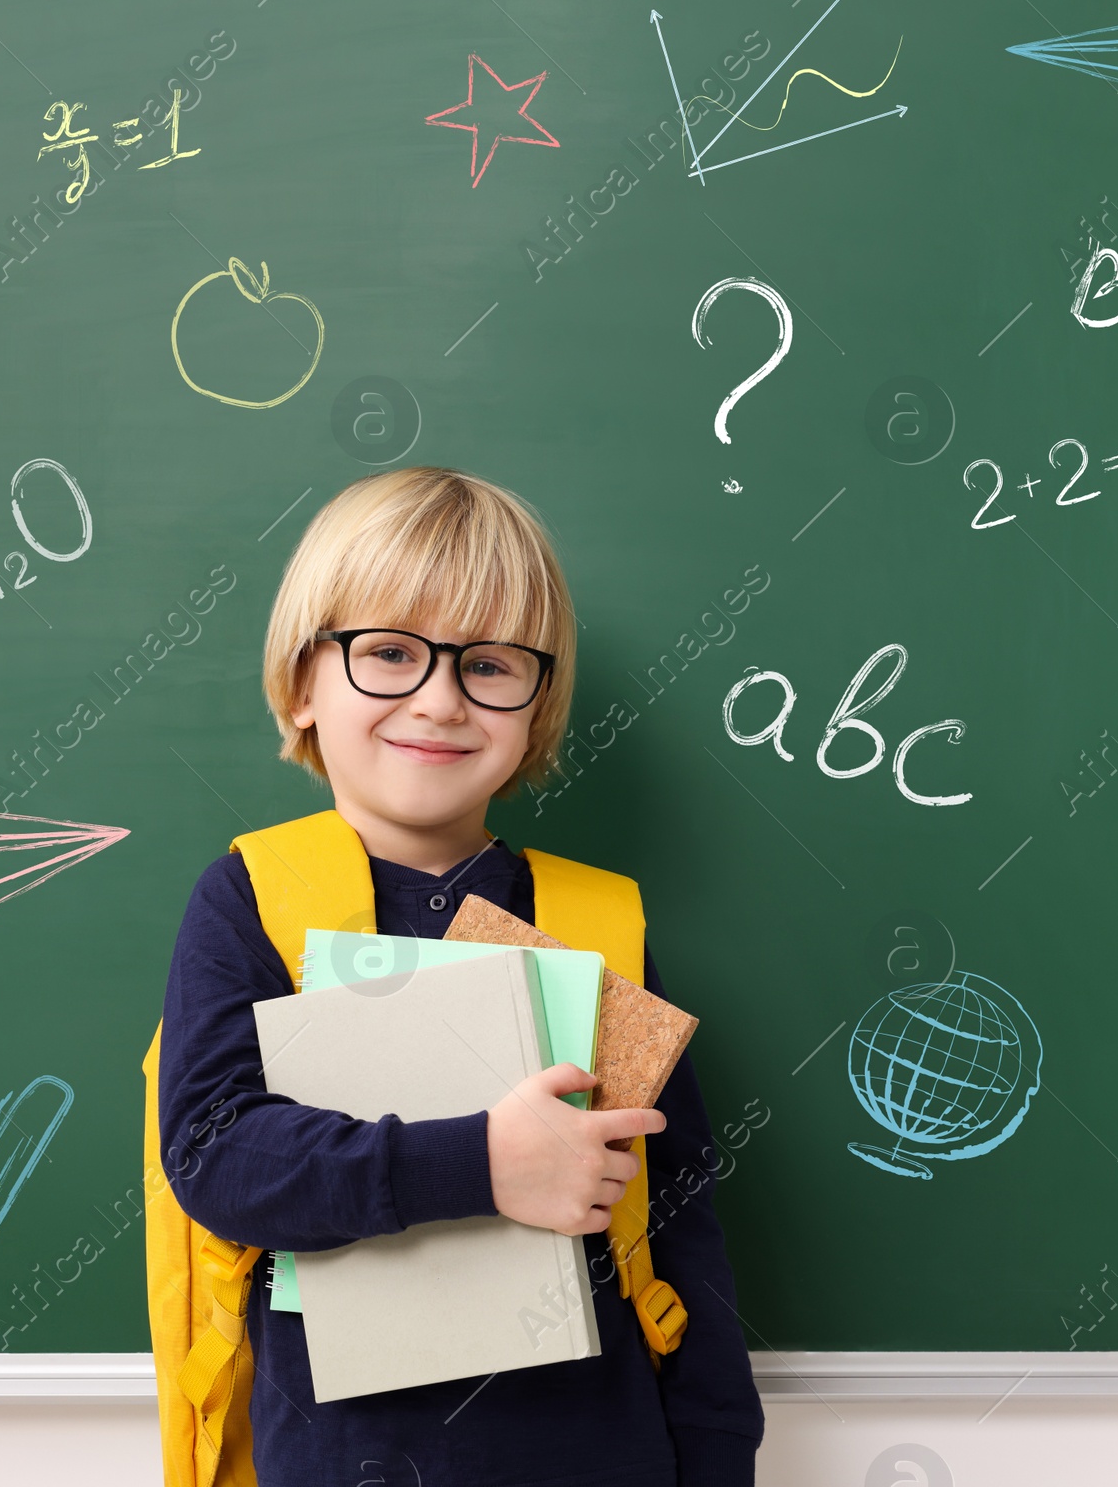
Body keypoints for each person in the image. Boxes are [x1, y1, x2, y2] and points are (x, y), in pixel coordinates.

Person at [157, 466, 765, 1486]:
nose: (438, 700)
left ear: (536, 703)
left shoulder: (599, 922)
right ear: (304, 682)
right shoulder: (251, 899)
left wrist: (717, 1459)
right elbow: (219, 1160)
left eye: (489, 666)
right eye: (388, 652)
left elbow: (679, 1221)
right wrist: (486, 1162)